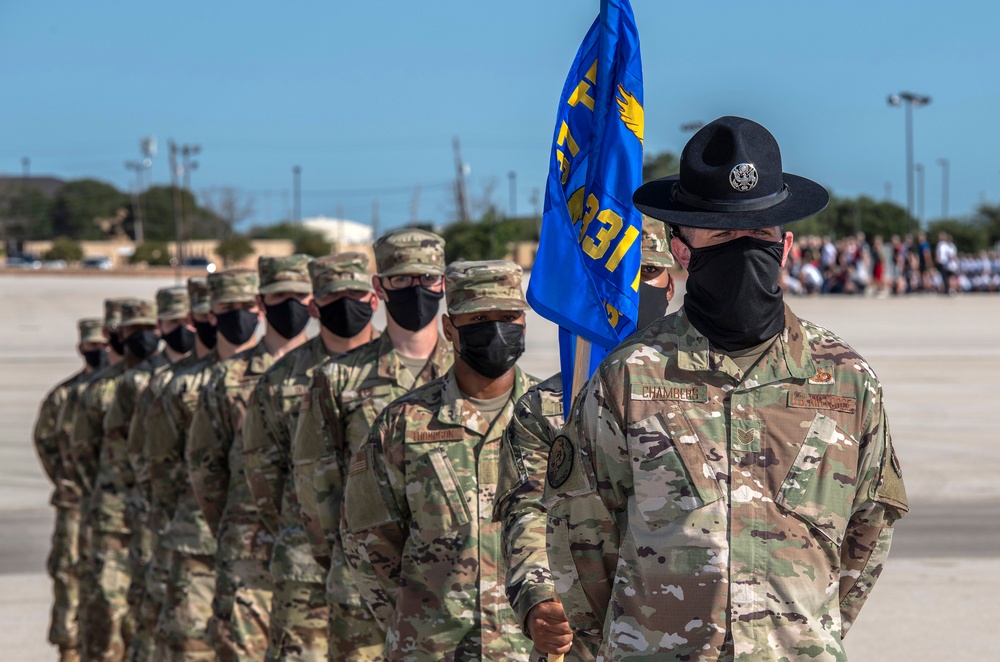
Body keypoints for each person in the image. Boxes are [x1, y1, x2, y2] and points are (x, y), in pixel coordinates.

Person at [544, 116, 909, 660]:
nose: (742, 249)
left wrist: (801, 636)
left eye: (757, 235)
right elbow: (581, 537)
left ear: (785, 246)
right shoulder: (630, 376)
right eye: (722, 235)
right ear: (684, 250)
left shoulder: (849, 382)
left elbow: (867, 536)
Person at [492, 219, 676, 662]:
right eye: (621, 273)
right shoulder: (548, 407)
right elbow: (528, 511)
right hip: (583, 644)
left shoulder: (711, 396)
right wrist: (538, 598)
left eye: (647, 273)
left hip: (683, 637)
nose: (633, 287)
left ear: (672, 285)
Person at [342, 259, 538, 660]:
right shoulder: (404, 421)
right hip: (430, 647)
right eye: (480, 317)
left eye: (508, 316)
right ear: (450, 329)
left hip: (528, 647)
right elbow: (366, 536)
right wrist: (411, 620)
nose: (497, 329)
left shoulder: (555, 415)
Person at [292, 228, 453, 660]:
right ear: (379, 288)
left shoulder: (470, 371)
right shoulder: (339, 378)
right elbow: (315, 484)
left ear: (443, 284)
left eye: (426, 278)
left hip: (455, 591)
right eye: (401, 279)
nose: (415, 289)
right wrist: (343, 564)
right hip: (360, 590)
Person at [242, 253, 379, 661]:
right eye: (333, 296)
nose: (346, 303)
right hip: (304, 567)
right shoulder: (279, 378)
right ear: (315, 307)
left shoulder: (398, 370)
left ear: (374, 299)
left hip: (382, 566)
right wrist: (305, 531)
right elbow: (261, 474)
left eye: (355, 293)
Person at [188, 256, 311, 661]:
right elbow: (206, 473)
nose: (290, 305)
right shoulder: (228, 378)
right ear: (262, 302)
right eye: (280, 296)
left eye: (299, 296)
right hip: (246, 555)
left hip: (314, 556)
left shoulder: (331, 372)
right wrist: (238, 524)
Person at [76, 297, 160, 660]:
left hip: (156, 519)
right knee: (109, 612)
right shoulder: (101, 388)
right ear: (118, 335)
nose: (142, 339)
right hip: (113, 518)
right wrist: (105, 489)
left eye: (149, 330)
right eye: (134, 331)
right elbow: (79, 451)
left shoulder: (166, 379)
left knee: (151, 615)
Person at [148, 276, 222, 661]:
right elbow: (155, 467)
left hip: (254, 546)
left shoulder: (269, 374)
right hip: (193, 539)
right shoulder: (173, 384)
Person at [123, 286, 198, 661]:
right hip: (160, 515)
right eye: (173, 321)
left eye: (188, 320)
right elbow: (136, 452)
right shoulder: (148, 382)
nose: (182, 328)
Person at [33, 317, 107, 662]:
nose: (99, 352)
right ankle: (70, 646)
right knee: (68, 572)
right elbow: (45, 442)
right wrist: (66, 480)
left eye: (104, 346)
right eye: (93, 347)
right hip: (75, 502)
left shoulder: (117, 390)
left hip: (109, 502)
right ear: (81, 349)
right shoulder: (64, 395)